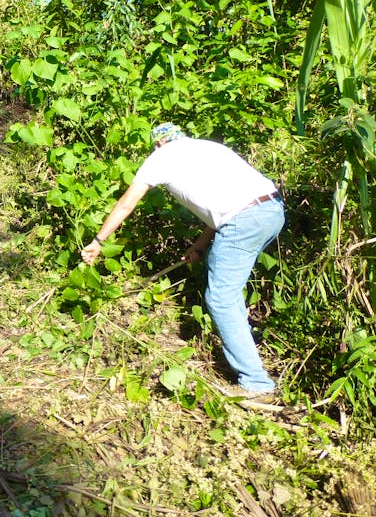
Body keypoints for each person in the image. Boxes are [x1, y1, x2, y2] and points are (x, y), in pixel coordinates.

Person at [81, 123, 284, 399]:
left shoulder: (161, 157)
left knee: (221, 299)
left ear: (158, 144)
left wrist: (99, 241)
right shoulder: (209, 148)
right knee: (230, 293)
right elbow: (228, 206)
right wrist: (199, 247)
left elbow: (127, 203)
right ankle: (251, 363)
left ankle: (256, 383)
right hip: (271, 211)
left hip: (244, 220)